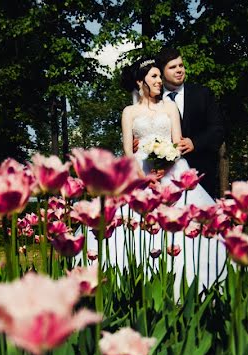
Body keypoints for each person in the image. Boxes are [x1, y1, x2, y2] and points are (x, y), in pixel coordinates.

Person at [84, 58, 224, 298]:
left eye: (160, 76)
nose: (160, 81)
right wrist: (142, 175)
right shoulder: (129, 112)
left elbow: (177, 141)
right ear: (141, 82)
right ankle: (131, 287)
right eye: (154, 77)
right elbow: (128, 150)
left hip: (172, 171)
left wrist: (165, 164)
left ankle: (187, 285)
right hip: (139, 173)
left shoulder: (169, 108)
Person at [156, 48, 225, 199]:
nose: (179, 70)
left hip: (200, 175)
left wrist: (195, 142)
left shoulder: (203, 94)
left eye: (181, 65)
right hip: (164, 177)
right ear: (161, 72)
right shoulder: (154, 100)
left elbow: (218, 129)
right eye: (173, 67)